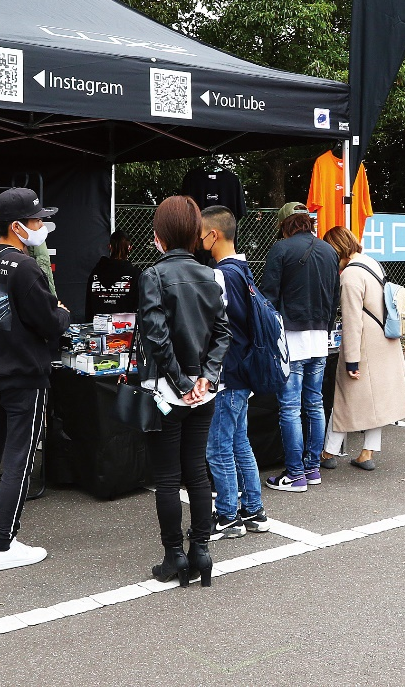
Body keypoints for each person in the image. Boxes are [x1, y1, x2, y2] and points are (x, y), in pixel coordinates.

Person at [0, 188, 70, 572]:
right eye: (37, 220)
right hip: (25, 373)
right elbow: (48, 321)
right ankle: (3, 545)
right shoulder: (25, 268)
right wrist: (62, 312)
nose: (42, 226)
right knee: (19, 457)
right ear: (18, 226)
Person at [138, 196, 230, 587]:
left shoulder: (153, 275)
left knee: (167, 476)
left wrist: (180, 382)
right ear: (195, 233)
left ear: (159, 235)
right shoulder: (211, 275)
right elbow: (223, 333)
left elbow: (156, 336)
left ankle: (174, 556)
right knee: (197, 471)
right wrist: (205, 377)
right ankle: (201, 552)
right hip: (204, 391)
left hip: (167, 390)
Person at [199, 206, 271, 539]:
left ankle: (228, 515)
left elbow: (220, 330)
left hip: (228, 373)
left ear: (213, 235)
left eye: (200, 233)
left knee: (218, 447)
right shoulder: (243, 269)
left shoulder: (220, 275)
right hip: (245, 370)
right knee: (239, 442)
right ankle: (254, 511)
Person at [320, 226, 405, 470]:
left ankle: (328, 452)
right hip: (384, 341)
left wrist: (351, 360)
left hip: (363, 345)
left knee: (343, 399)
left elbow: (352, 322)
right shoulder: (371, 263)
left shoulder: (350, 275)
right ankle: (367, 453)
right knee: (377, 402)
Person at [260, 201, 339, 492]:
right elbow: (335, 296)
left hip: (291, 338)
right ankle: (312, 468)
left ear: (284, 224)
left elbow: (268, 297)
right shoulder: (329, 251)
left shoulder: (281, 249)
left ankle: (295, 474)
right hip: (320, 339)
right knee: (315, 404)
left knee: (290, 408)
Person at [85, 230, 140, 317]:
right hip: (125, 323)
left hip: (98, 323)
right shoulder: (134, 274)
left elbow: (89, 305)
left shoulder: (96, 272)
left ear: (110, 247)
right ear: (129, 248)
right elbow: (138, 304)